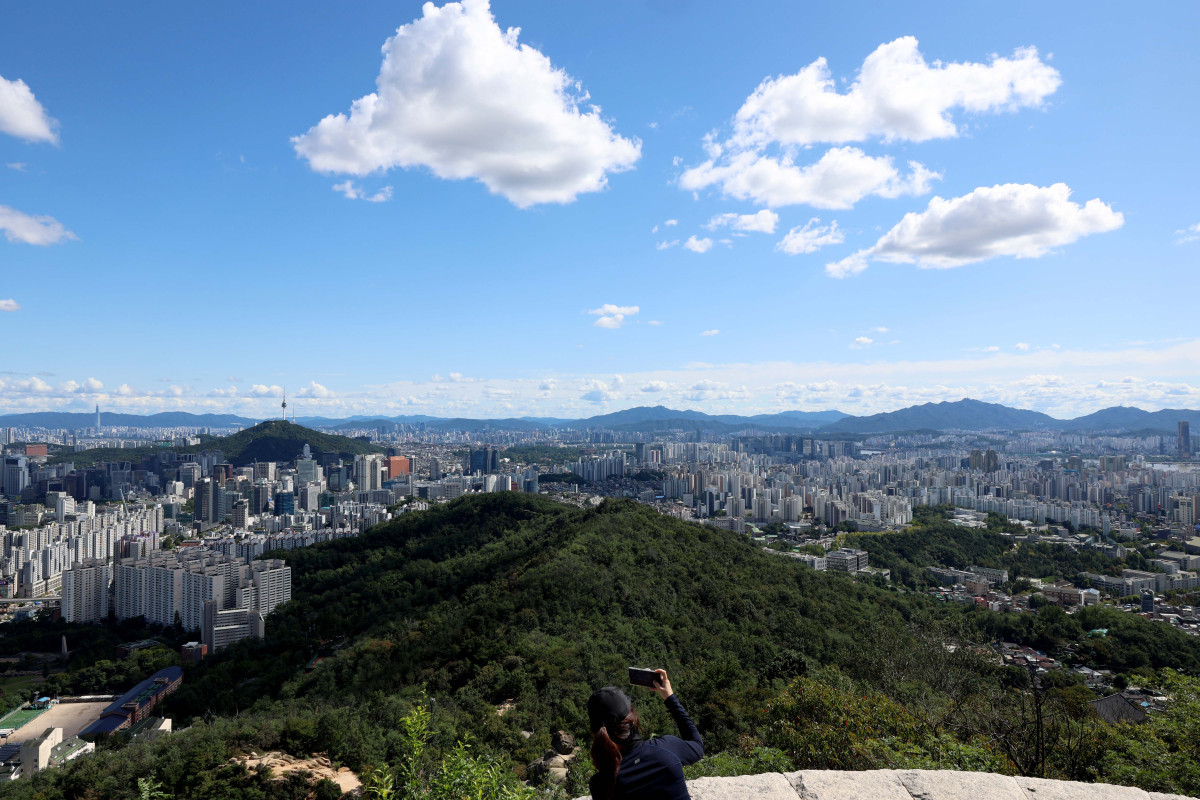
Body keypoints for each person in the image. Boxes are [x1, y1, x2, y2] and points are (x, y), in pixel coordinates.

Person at [588, 669, 703, 800]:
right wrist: (669, 697)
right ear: (633, 718)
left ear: (595, 731)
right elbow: (697, 745)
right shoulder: (667, 749)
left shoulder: (600, 785)